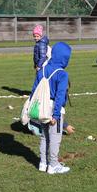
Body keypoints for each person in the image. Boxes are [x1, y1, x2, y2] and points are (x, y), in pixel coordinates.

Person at [30, 42, 72, 174]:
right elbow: (60, 96)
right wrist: (56, 115)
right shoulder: (62, 74)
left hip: (41, 108)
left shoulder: (42, 69)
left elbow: (34, 91)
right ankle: (53, 165)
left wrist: (31, 107)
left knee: (44, 136)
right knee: (55, 138)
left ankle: (43, 163)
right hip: (54, 108)